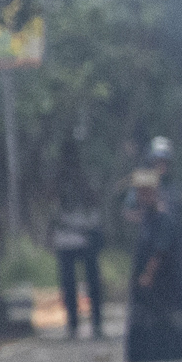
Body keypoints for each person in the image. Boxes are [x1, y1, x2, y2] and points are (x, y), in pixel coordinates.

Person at [107, 172, 182, 362]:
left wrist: (148, 275)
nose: (141, 196)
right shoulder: (148, 218)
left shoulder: (163, 218)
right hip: (150, 290)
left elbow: (160, 252)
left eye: (145, 192)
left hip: (166, 287)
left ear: (154, 193)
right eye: (139, 192)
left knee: (181, 330)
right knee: (137, 330)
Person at [49, 140, 106, 341]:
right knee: (71, 285)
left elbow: (95, 200)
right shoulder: (58, 180)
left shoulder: (85, 179)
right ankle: (75, 324)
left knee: (91, 284)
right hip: (67, 239)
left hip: (83, 237)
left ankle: (94, 324)